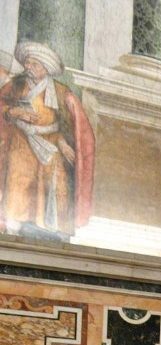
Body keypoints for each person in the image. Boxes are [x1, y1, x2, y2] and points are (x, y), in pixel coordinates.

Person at [0, 41, 96, 239]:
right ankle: (12, 226)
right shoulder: (16, 85)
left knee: (56, 182)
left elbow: (73, 126)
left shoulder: (61, 92)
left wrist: (62, 141)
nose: (28, 67)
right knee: (18, 187)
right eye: (27, 63)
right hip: (20, 144)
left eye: (34, 64)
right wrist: (14, 111)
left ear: (45, 68)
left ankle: (51, 230)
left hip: (50, 144)